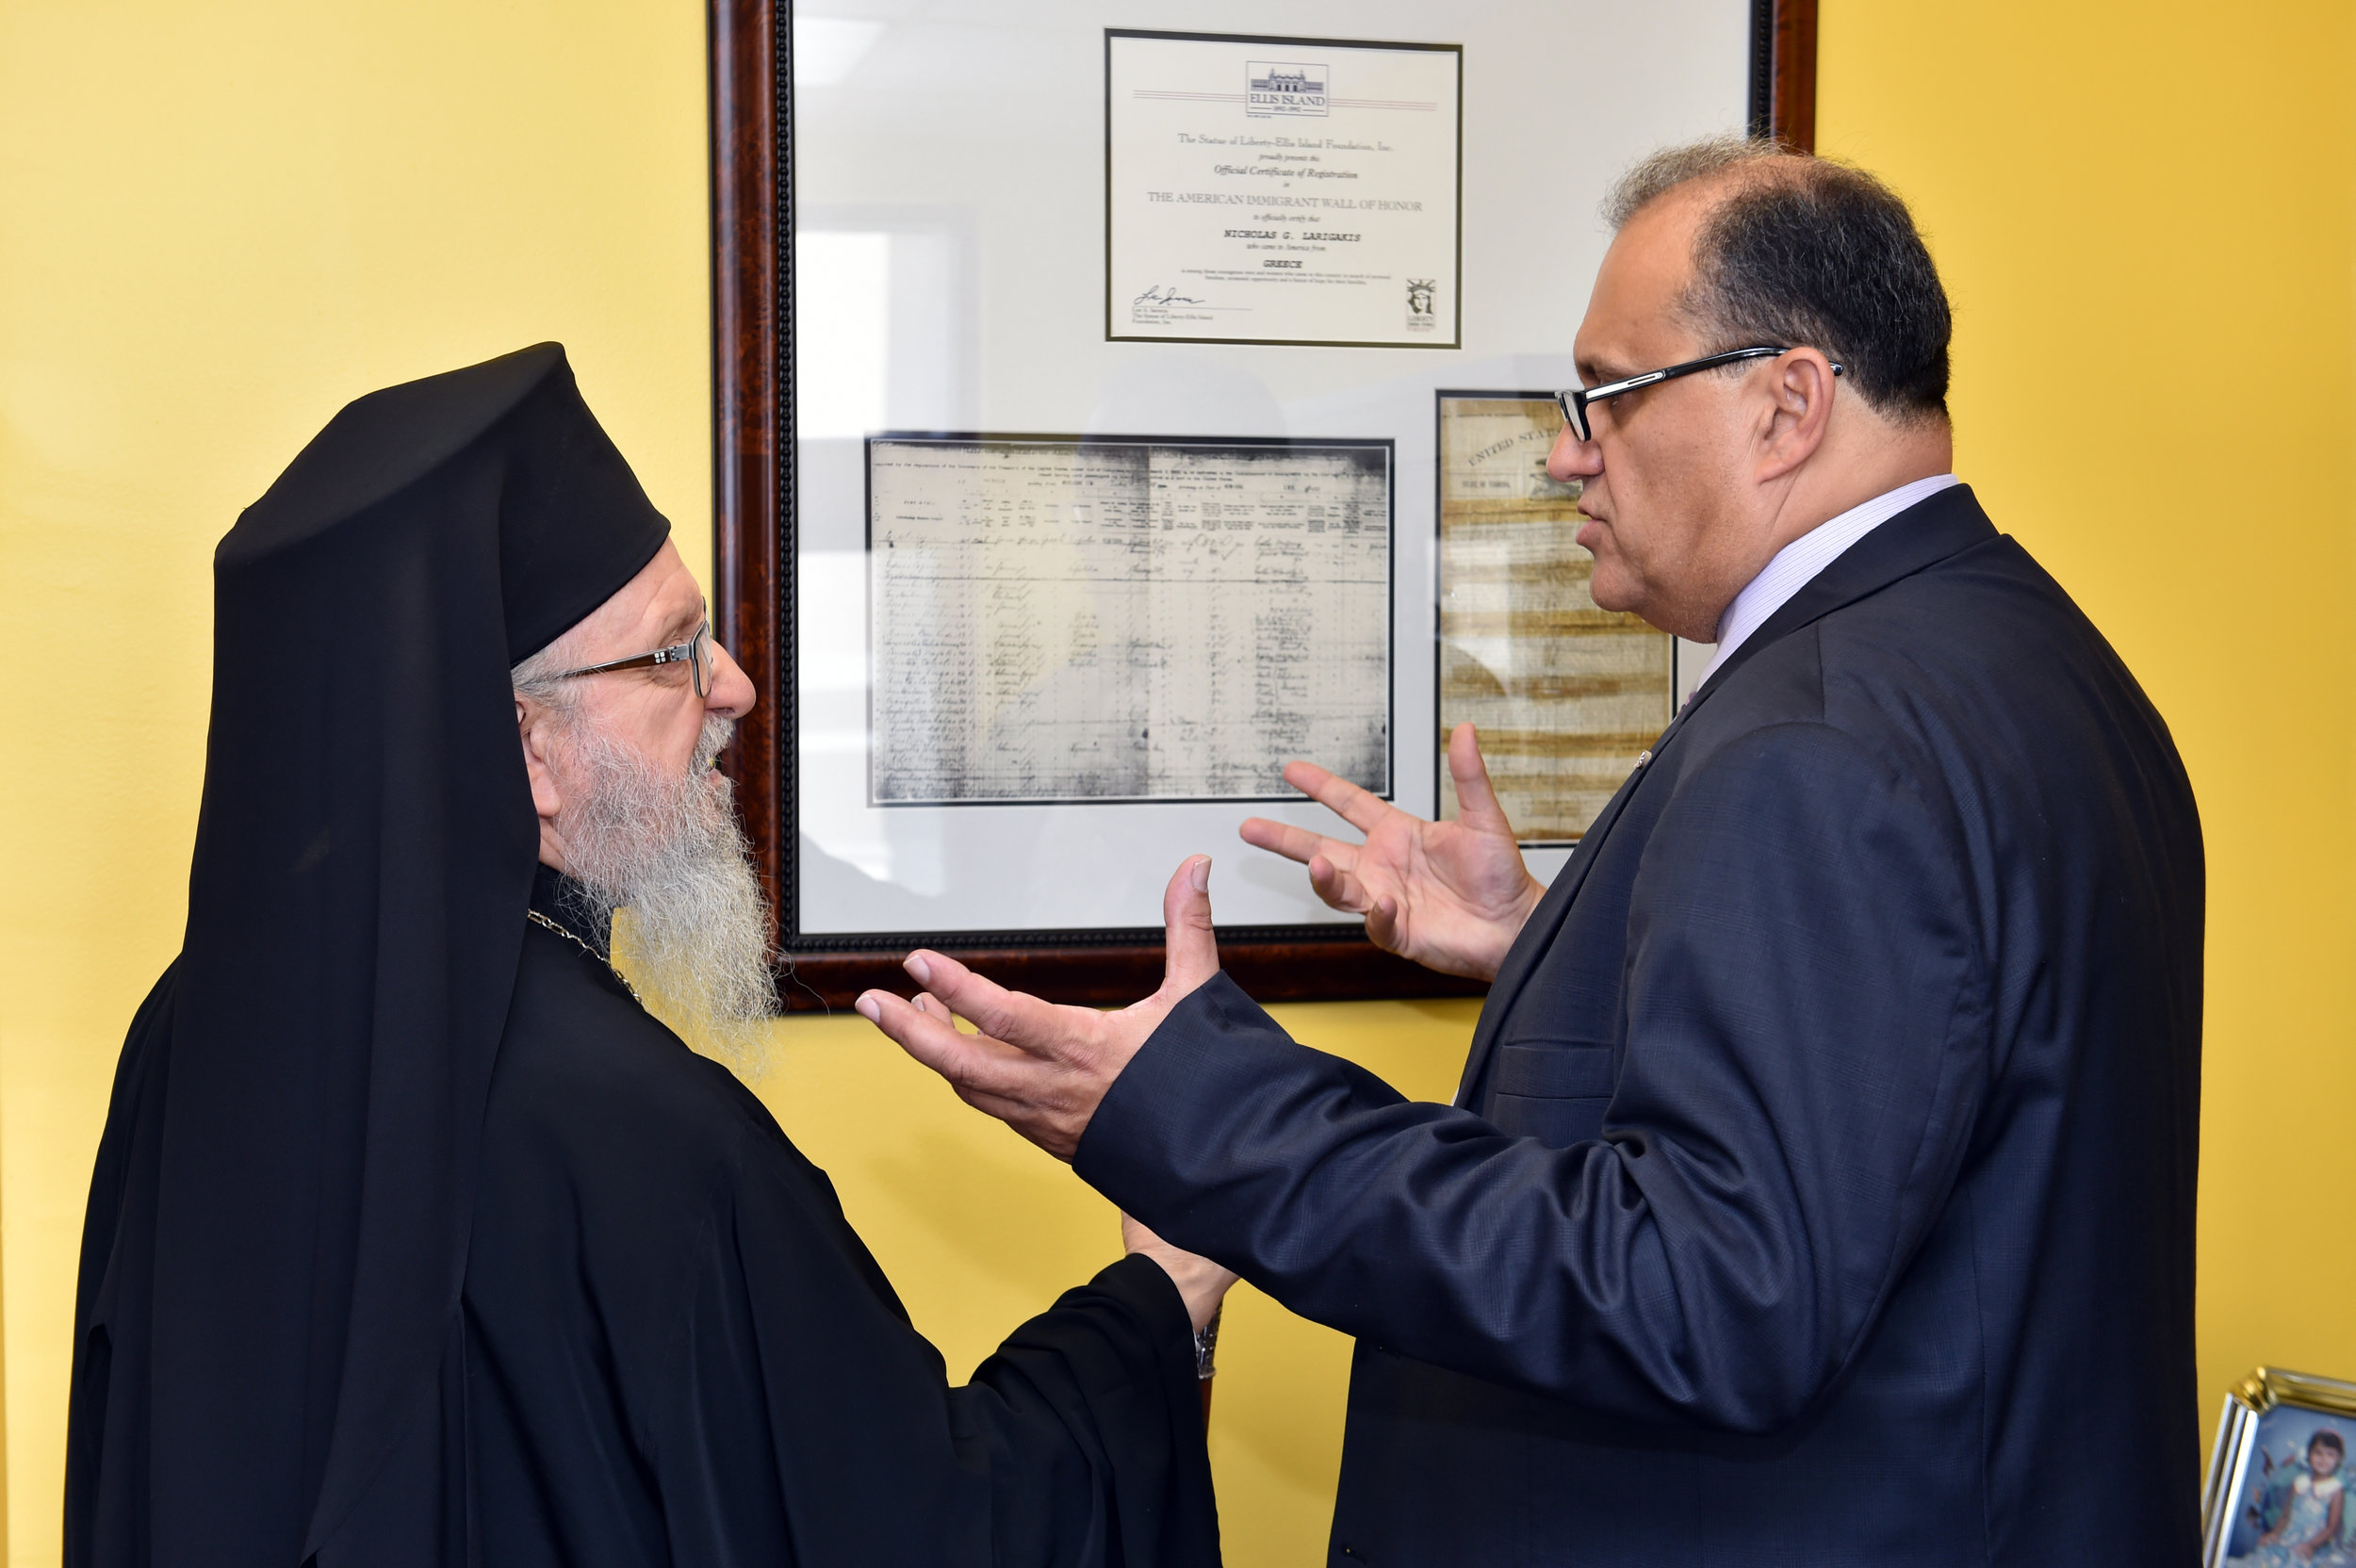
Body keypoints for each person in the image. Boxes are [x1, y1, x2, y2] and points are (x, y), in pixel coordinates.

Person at [858, 138, 2206, 1564]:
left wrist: (1204, 1112)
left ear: (1787, 406)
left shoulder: (1818, 740)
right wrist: (1560, 940)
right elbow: (1922, 1068)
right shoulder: (2032, 659)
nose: (1569, 451)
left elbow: (1710, 1294)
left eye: (1608, 398)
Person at [66, 344, 1233, 1568]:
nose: (731, 686)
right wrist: (1162, 1298)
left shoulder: (184, 1035)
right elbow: (927, 1527)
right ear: (523, 746)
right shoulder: (649, 1137)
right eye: (672, 651)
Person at [2243, 1430, 2350, 1566]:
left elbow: (2332, 1527)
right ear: (2309, 1454)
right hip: (2290, 1536)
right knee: (2267, 1554)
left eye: (2330, 1454)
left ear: (2339, 1459)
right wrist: (2275, 1533)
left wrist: (2311, 1545)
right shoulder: (2300, 1482)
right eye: (2318, 1453)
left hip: (2315, 1543)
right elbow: (2285, 1516)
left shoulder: (2335, 1489)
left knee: (2298, 1561)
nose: (2323, 1459)